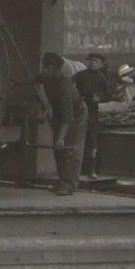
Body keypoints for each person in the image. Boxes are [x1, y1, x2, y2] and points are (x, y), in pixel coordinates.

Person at [35, 52, 87, 195]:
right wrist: (46, 106)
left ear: (57, 70)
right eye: (45, 67)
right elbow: (34, 80)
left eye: (50, 68)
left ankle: (70, 184)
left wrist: (61, 137)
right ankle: (62, 180)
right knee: (58, 151)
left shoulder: (64, 84)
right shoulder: (45, 76)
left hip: (76, 114)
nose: (46, 70)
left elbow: (68, 116)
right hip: (59, 113)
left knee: (71, 149)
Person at [73, 53, 110, 178]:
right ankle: (76, 170)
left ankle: (91, 170)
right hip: (78, 110)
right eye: (90, 60)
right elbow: (70, 87)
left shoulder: (102, 78)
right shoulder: (80, 75)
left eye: (95, 61)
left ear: (101, 64)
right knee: (76, 138)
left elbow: (107, 95)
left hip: (92, 112)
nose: (92, 63)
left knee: (92, 141)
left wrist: (99, 98)